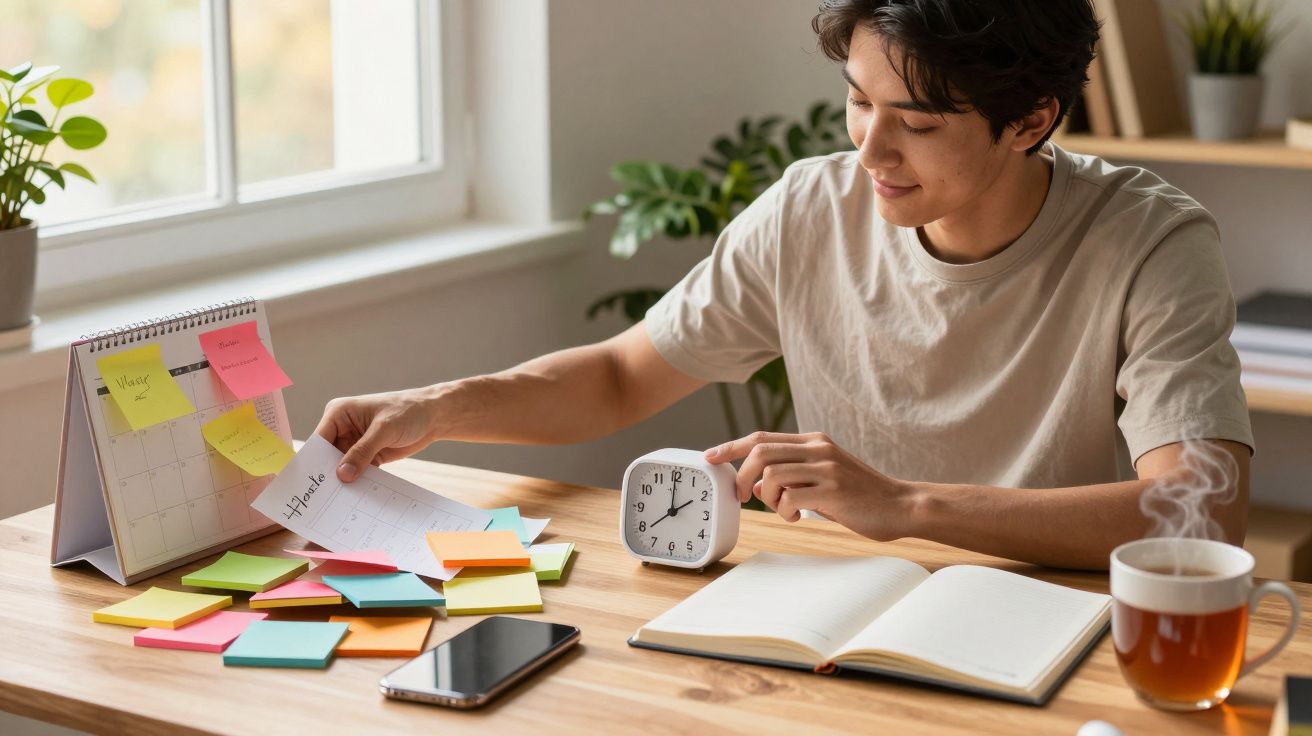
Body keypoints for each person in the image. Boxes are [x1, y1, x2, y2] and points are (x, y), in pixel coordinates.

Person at [315, 0, 1254, 570]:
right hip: (830, 610)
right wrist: (434, 406)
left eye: (917, 123)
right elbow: (619, 377)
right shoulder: (812, 207)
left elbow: (1203, 507)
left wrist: (910, 505)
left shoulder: (1148, 239)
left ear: (1031, 119)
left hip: (1059, 623)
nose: (870, 150)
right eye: (856, 100)